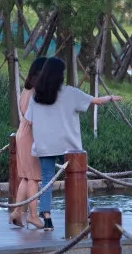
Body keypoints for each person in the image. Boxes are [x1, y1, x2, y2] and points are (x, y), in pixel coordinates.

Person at [24, 57, 121, 231]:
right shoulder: (70, 93)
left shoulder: (37, 95)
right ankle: (83, 212)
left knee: (47, 180)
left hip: (45, 145)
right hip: (69, 146)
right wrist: (110, 97)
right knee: (77, 179)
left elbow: (28, 120)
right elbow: (96, 101)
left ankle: (46, 218)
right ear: (59, 75)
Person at [10, 57, 47, 229]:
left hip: (21, 132)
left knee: (25, 177)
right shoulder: (36, 93)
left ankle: (17, 212)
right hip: (30, 134)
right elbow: (36, 118)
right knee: (33, 178)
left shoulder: (27, 90)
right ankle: (32, 215)